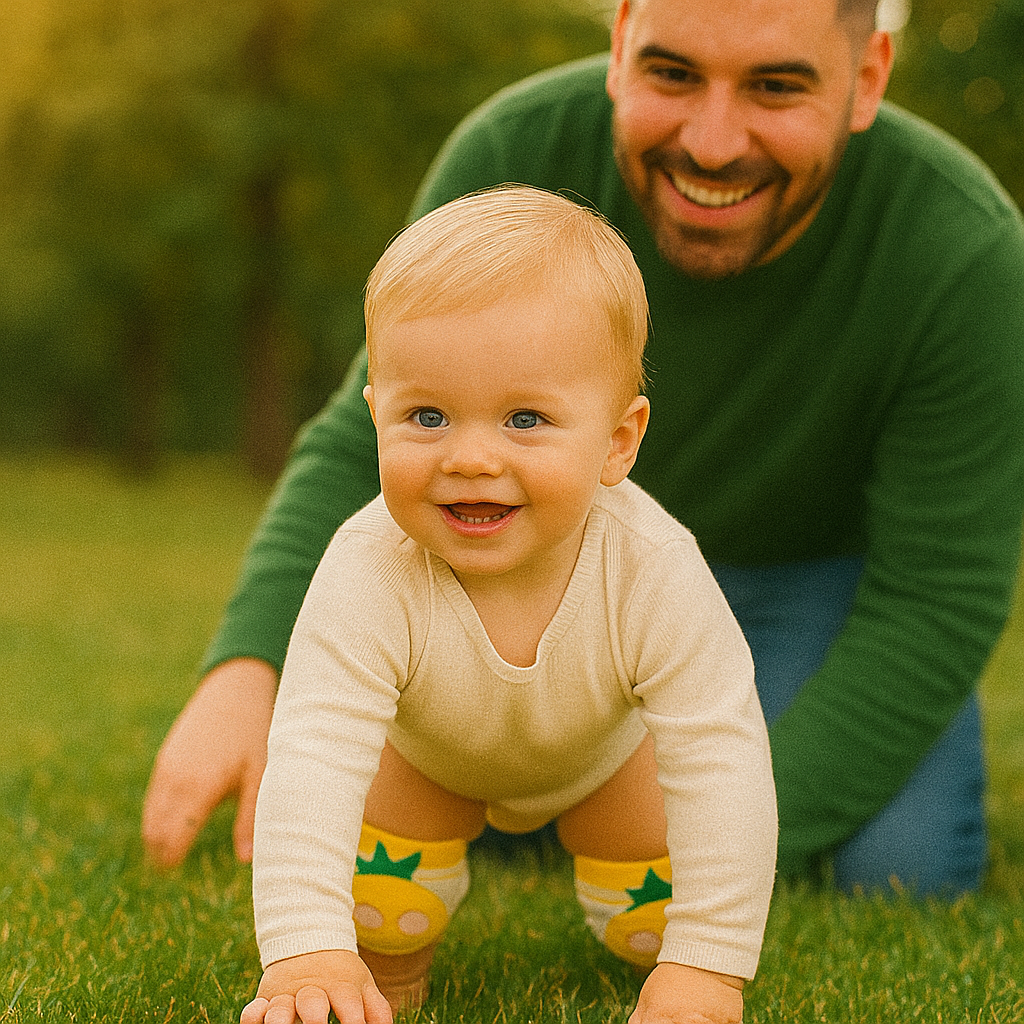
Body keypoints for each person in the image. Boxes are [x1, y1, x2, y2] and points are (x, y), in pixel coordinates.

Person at [143, 0, 1024, 896]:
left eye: (775, 87)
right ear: (619, 45)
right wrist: (248, 667)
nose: (713, 143)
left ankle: (573, 807)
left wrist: (719, 844)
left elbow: (937, 591)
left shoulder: (961, 249)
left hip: (810, 589)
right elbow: (368, 432)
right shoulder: (512, 155)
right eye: (672, 74)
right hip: (542, 567)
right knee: (343, 818)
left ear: (867, 77)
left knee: (897, 867)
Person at [236, 186, 778, 1024]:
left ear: (618, 441)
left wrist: (708, 969)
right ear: (376, 414)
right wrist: (308, 947)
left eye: (525, 418)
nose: (473, 457)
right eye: (428, 416)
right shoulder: (368, 567)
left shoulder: (652, 568)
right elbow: (313, 750)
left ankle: (662, 952)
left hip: (603, 760)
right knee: (378, 912)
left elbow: (722, 752)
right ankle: (392, 973)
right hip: (429, 762)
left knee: (657, 923)